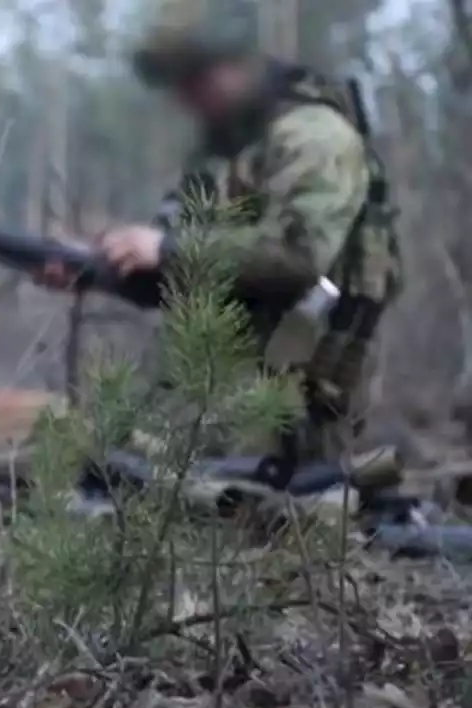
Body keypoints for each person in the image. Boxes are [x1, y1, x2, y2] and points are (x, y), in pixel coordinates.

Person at [31, 7, 403, 471]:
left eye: (195, 82)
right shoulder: (224, 151)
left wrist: (165, 250)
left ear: (236, 65)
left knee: (225, 501)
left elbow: (300, 257)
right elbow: (175, 271)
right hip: (217, 377)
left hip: (303, 384)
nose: (187, 100)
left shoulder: (314, 137)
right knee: (117, 471)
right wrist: (97, 267)